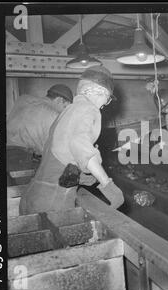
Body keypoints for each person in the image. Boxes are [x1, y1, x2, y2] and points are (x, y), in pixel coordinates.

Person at [19, 66, 124, 215]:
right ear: (96, 91)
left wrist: (79, 176)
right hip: (53, 203)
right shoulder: (89, 109)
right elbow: (80, 147)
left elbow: (59, 154)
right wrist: (107, 185)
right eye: (106, 99)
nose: (104, 105)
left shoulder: (68, 111)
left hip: (33, 196)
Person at [7, 84, 73, 156]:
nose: (63, 112)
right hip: (24, 158)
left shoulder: (23, 99)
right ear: (59, 100)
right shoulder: (52, 115)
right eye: (65, 107)